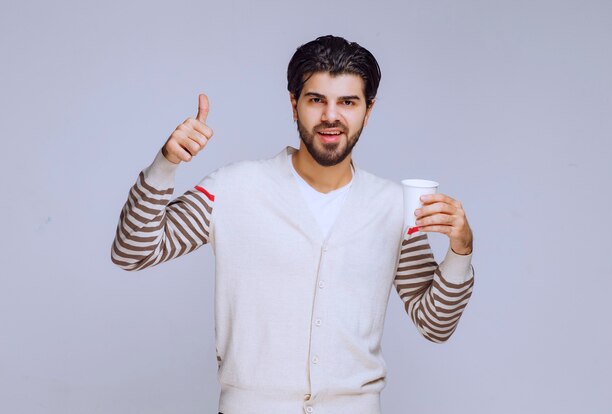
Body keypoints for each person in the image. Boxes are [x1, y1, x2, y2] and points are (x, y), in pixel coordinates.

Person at [111, 35, 475, 414]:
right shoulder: (234, 189)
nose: (330, 116)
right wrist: (166, 163)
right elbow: (132, 251)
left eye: (347, 102)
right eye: (316, 100)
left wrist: (461, 250)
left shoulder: (393, 207)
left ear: (368, 110)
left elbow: (435, 324)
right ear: (293, 104)